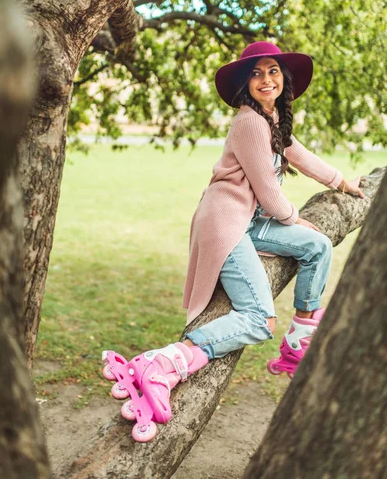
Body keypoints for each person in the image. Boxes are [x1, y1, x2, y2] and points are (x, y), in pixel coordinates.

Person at [102, 41, 365, 442]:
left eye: (273, 71)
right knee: (259, 319)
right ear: (246, 83)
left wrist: (341, 182)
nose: (266, 79)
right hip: (227, 223)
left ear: (284, 80)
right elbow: (270, 192)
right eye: (257, 73)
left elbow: (300, 155)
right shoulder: (249, 122)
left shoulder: (272, 119)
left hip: (252, 220)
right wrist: (298, 221)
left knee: (318, 247)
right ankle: (166, 361)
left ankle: (300, 337)